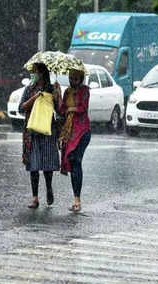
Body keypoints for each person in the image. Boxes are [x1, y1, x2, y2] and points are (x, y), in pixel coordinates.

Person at [18, 63, 61, 209]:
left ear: (42, 73)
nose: (33, 74)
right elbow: (21, 108)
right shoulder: (29, 89)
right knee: (34, 165)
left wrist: (58, 95)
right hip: (32, 131)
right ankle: (35, 197)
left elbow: (60, 110)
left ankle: (49, 188)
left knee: (47, 164)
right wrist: (35, 98)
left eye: (35, 71)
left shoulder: (52, 89)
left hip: (48, 130)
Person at [58, 68, 91, 212]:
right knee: (72, 162)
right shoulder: (67, 92)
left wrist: (70, 109)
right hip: (69, 132)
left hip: (82, 131)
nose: (73, 81)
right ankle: (75, 197)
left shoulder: (85, 91)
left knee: (77, 160)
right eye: (71, 78)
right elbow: (61, 110)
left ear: (81, 79)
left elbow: (82, 108)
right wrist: (57, 94)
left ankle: (77, 199)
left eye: (76, 78)